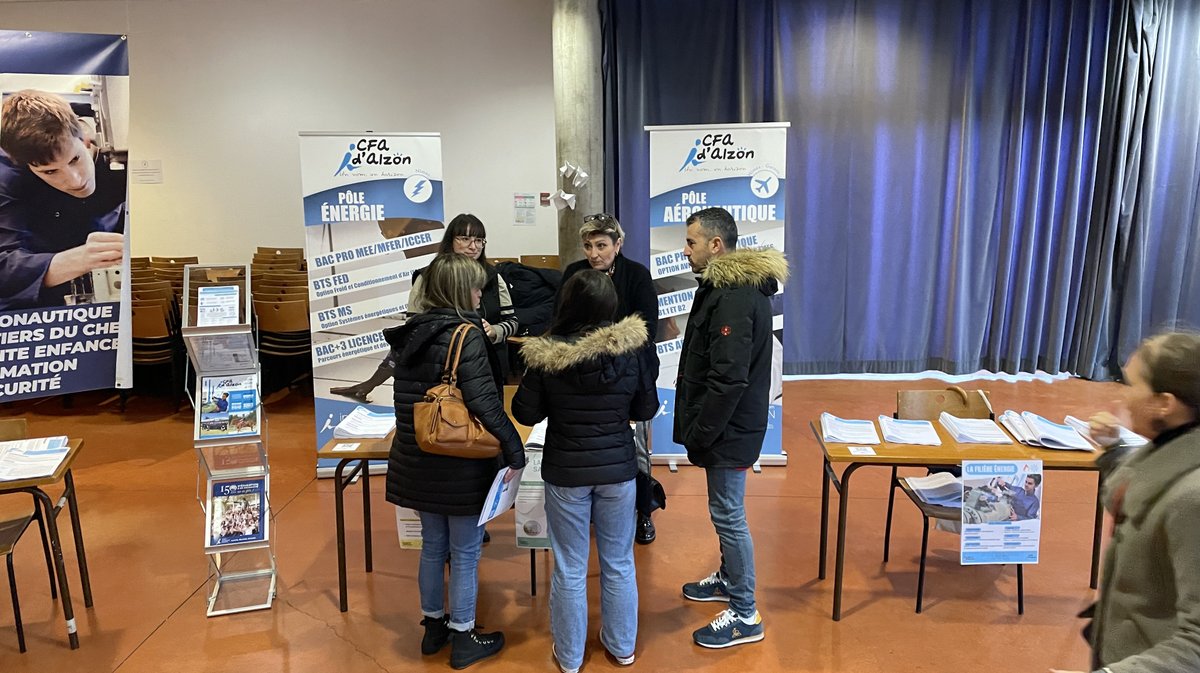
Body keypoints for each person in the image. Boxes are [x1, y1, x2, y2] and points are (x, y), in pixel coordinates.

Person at [383, 253, 526, 670]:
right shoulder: (466, 335)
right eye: (476, 286)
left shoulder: (410, 332)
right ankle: (464, 636)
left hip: (417, 456)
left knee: (432, 547)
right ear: (459, 290)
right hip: (460, 460)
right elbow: (485, 403)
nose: (482, 293)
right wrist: (512, 448)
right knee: (465, 551)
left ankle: (433, 629)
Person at [512, 270, 658, 673]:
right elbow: (645, 410)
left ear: (567, 303)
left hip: (566, 473)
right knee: (619, 561)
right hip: (618, 471)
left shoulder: (546, 354)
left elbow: (525, 411)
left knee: (571, 566)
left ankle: (571, 656)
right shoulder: (631, 351)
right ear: (611, 305)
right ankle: (622, 648)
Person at [1051, 331, 1200, 673]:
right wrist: (1114, 449)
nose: (1123, 396)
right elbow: (1136, 501)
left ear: (1165, 403)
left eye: (1132, 385)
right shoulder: (1166, 448)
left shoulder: (1194, 501)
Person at [674, 207, 787, 649]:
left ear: (715, 245)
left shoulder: (735, 296)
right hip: (727, 428)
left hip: (729, 431)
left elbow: (729, 378)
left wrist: (702, 433)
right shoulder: (722, 287)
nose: (685, 251)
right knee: (725, 513)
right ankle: (728, 578)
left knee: (728, 515)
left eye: (691, 242)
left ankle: (744, 613)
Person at [331, 213, 518, 403]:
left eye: (479, 240)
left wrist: (494, 331)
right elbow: (412, 328)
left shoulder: (494, 277)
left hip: (486, 368)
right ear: (450, 240)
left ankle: (367, 385)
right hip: (439, 371)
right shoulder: (426, 277)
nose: (473, 246)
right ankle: (368, 385)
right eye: (465, 238)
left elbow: (512, 321)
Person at [561, 213, 661, 544]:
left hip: (630, 375)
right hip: (582, 376)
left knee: (638, 449)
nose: (594, 254)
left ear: (618, 244)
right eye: (588, 246)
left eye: (601, 245)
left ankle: (643, 512)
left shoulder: (637, 275)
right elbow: (560, 324)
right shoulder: (575, 274)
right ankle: (593, 510)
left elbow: (648, 331)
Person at [0, 89, 126, 311]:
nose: (74, 180)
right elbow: (4, 267)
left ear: (85, 139)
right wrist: (80, 259)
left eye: (75, 159)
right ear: (25, 165)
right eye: (50, 172)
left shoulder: (119, 150)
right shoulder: (8, 178)